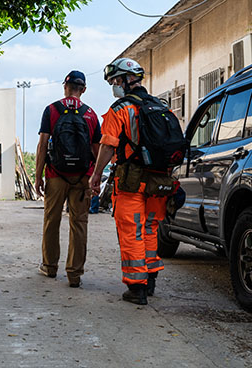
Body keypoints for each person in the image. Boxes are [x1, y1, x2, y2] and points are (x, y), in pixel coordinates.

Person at [89, 58, 167, 305]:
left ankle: (137, 288)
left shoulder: (119, 109)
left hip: (131, 182)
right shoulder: (162, 106)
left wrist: (95, 175)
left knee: (132, 231)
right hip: (158, 182)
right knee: (149, 229)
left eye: (114, 80)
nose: (113, 85)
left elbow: (108, 145)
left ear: (124, 80)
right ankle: (150, 279)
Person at [35, 70, 101, 288]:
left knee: (51, 221)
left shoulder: (52, 110)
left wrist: (38, 176)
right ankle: (74, 274)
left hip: (56, 175)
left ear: (65, 87)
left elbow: (43, 145)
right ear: (83, 90)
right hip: (82, 178)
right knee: (79, 223)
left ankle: (49, 267)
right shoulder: (90, 114)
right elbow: (96, 150)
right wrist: (95, 177)